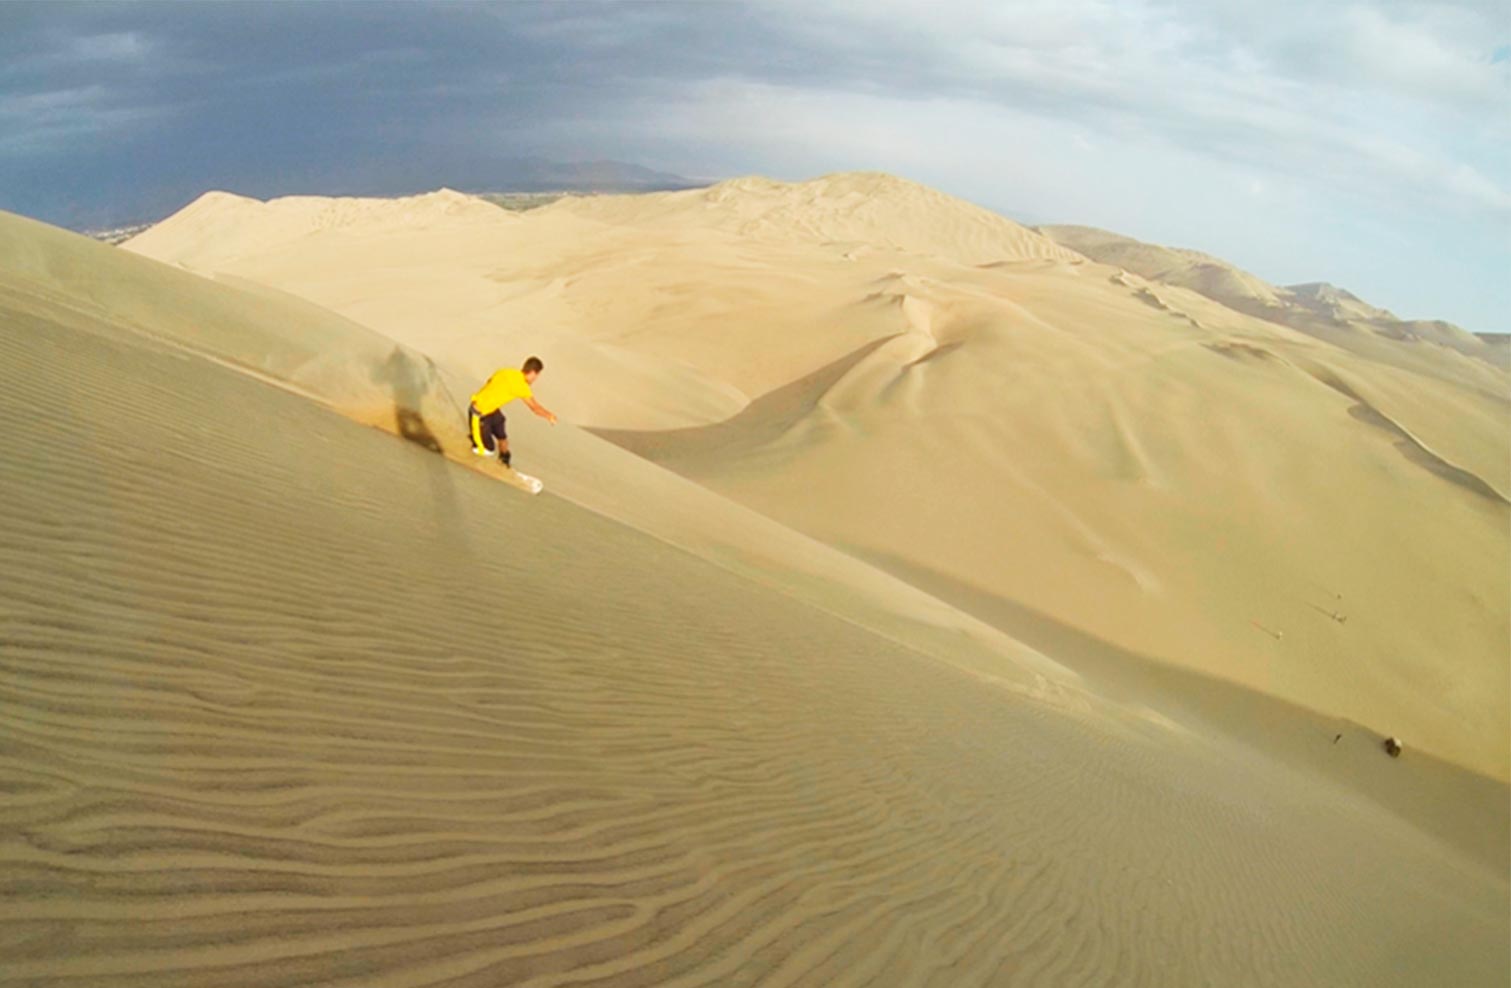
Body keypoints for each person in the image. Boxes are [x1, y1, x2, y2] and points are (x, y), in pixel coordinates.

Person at [469, 356, 556, 468]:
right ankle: (473, 446)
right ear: (533, 373)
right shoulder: (521, 386)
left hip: (492, 410)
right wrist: (550, 416)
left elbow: (490, 381)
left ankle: (504, 462)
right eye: (536, 376)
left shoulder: (507, 371)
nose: (535, 379)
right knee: (486, 450)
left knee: (502, 437)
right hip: (479, 415)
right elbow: (535, 408)